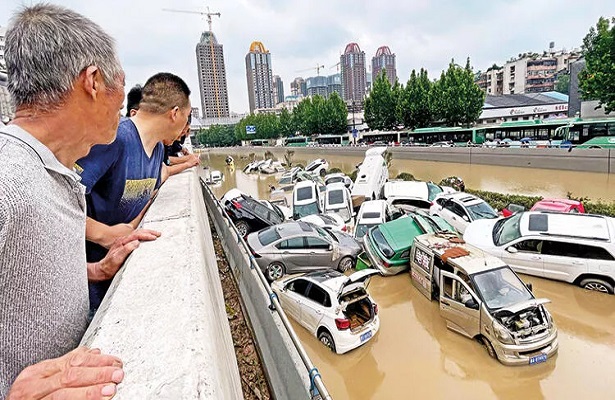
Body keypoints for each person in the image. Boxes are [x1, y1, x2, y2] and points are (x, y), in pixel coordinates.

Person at [0, 4, 160, 398]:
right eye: (121, 96)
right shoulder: (9, 181)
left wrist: (94, 270)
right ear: (92, 81)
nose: (123, 116)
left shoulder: (54, 171)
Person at [76, 72, 193, 311]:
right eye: (187, 117)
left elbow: (158, 180)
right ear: (175, 113)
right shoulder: (115, 138)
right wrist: (104, 234)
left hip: (118, 275)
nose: (185, 129)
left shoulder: (158, 150)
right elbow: (59, 199)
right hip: (85, 282)